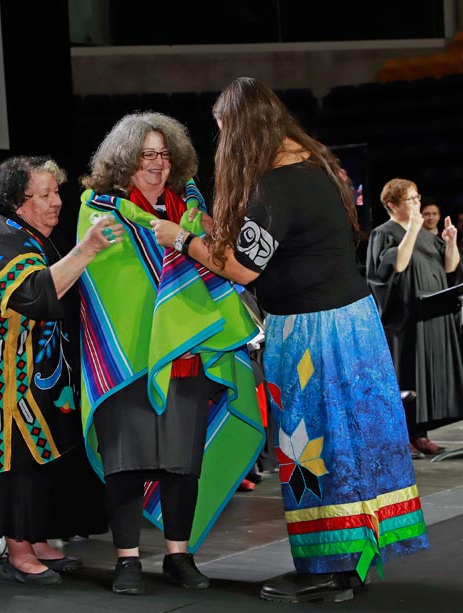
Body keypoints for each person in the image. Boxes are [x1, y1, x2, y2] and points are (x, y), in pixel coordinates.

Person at [150, 76, 429, 603]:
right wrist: (210, 229)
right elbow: (267, 244)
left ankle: (325, 566)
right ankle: (352, 560)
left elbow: (241, 266)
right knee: (352, 444)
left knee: (310, 446)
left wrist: (182, 239)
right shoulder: (314, 166)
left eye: (223, 130)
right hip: (352, 325)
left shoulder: (275, 185)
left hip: (311, 335)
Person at [78, 112, 263, 595]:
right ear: (124, 160)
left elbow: (224, 270)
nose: (158, 165)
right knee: (127, 463)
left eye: (164, 155)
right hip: (127, 362)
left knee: (183, 462)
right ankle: (127, 560)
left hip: (187, 358)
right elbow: (106, 287)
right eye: (147, 155)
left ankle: (179, 555)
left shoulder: (190, 211)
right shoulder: (99, 209)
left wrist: (190, 236)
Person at [0, 155, 116, 585]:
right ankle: (19, 548)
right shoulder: (3, 239)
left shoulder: (18, 229)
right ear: (19, 201)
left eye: (57, 192)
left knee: (41, 452)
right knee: (14, 456)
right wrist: (88, 248)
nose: (57, 201)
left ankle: (35, 537)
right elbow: (37, 295)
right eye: (45, 195)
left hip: (27, 365)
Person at [366, 179, 463, 458]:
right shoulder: (384, 233)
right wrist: (411, 231)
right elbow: (396, 265)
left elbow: (450, 268)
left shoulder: (425, 234)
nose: (417, 204)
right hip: (404, 321)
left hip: (430, 317)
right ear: (392, 205)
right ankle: (401, 437)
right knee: (405, 377)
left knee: (424, 379)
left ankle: (420, 434)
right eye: (410, 200)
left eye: (417, 198)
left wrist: (451, 243)